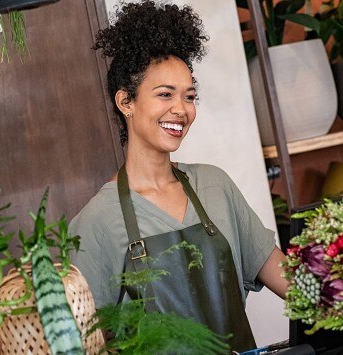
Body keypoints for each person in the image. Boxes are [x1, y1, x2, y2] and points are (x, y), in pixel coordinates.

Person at [69, 1, 288, 350]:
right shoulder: (96, 221)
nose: (181, 109)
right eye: (165, 95)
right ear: (126, 102)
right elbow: (88, 343)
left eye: (189, 96)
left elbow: (290, 280)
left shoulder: (215, 186)